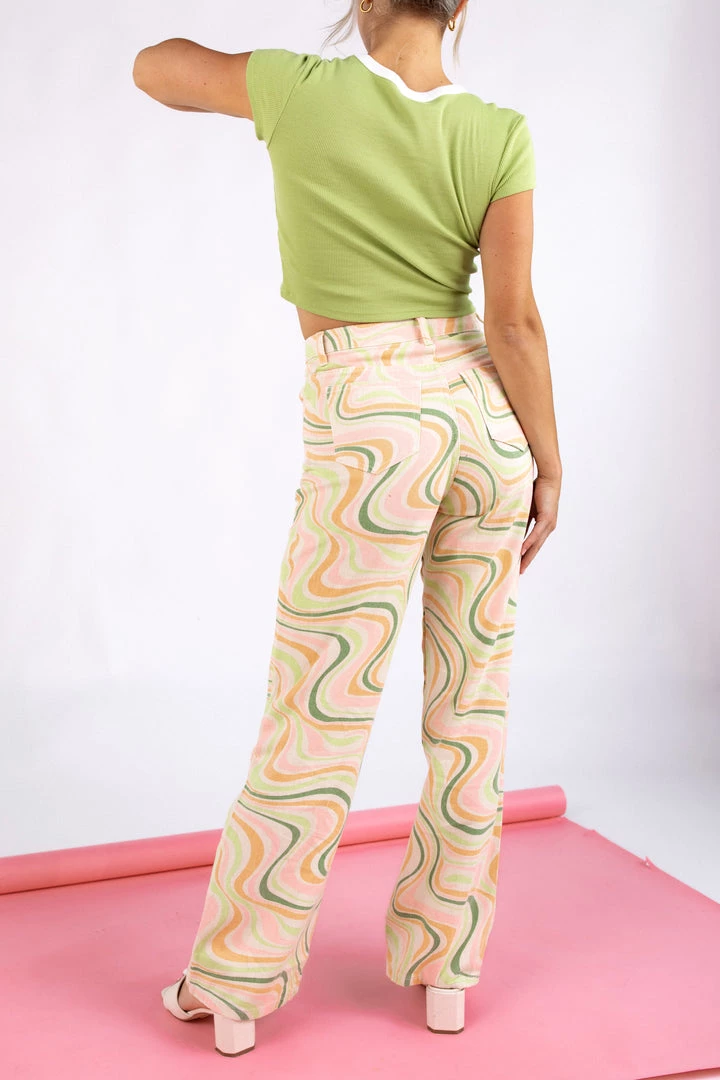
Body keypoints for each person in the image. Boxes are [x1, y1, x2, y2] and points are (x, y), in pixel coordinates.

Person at [134, 0, 561, 1057]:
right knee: (471, 713)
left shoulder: (299, 88)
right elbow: (514, 321)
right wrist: (549, 462)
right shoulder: (498, 131)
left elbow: (154, 65)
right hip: (484, 421)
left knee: (315, 712)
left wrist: (253, 77)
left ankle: (237, 985)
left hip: (373, 419)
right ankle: (446, 967)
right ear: (461, 7)